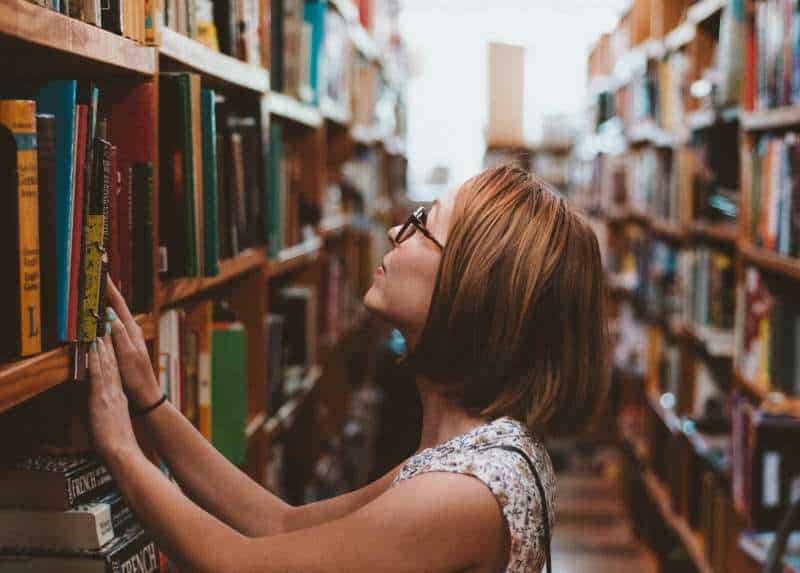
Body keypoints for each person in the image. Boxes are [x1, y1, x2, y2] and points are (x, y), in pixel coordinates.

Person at [88, 163, 609, 573]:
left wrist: (118, 446)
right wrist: (151, 405)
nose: (393, 231)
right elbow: (275, 523)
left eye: (421, 224)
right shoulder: (473, 453)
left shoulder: (462, 492)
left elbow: (234, 563)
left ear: (472, 286)